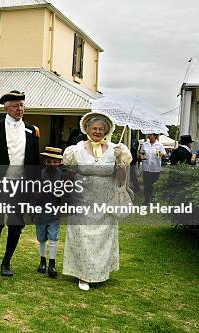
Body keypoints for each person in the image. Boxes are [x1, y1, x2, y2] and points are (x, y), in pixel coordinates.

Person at [62, 112, 132, 291]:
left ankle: (99, 272)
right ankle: (83, 275)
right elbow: (69, 174)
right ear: (87, 129)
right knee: (83, 237)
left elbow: (121, 180)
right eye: (94, 128)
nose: (98, 131)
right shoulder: (75, 150)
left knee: (102, 238)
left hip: (105, 202)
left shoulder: (117, 150)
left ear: (107, 130)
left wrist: (119, 162)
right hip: (82, 200)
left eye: (101, 129)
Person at [0, 91, 40, 286]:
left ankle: (7, 262)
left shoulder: (32, 130)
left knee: (16, 225)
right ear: (6, 108)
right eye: (15, 106)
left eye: (22, 105)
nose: (19, 109)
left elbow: (34, 162)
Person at [34, 147, 67, 278]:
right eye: (50, 162)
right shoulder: (39, 174)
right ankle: (42, 261)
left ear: (60, 162)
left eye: (55, 162)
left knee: (53, 236)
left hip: (55, 210)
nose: (52, 164)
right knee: (41, 237)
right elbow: (33, 193)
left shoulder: (64, 176)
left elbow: (67, 194)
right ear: (45, 161)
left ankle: (52, 263)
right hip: (41, 210)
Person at [138, 134, 166, 203]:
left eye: (151, 135)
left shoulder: (160, 145)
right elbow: (141, 153)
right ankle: (146, 200)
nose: (149, 136)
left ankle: (153, 198)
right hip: (146, 168)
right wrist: (141, 156)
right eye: (149, 135)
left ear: (155, 136)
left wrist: (161, 155)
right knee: (146, 184)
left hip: (155, 168)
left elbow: (164, 154)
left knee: (153, 185)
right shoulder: (145, 144)